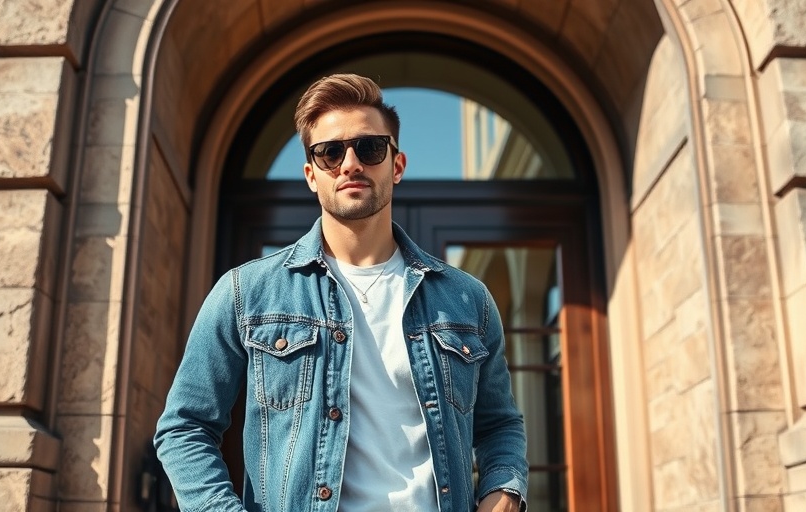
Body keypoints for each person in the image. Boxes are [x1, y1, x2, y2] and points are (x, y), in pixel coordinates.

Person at [154, 73, 528, 511]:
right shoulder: (245, 293)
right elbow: (184, 427)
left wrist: (503, 492)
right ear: (312, 176)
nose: (350, 164)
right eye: (330, 153)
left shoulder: (467, 300)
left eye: (369, 148)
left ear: (397, 165)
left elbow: (500, 425)